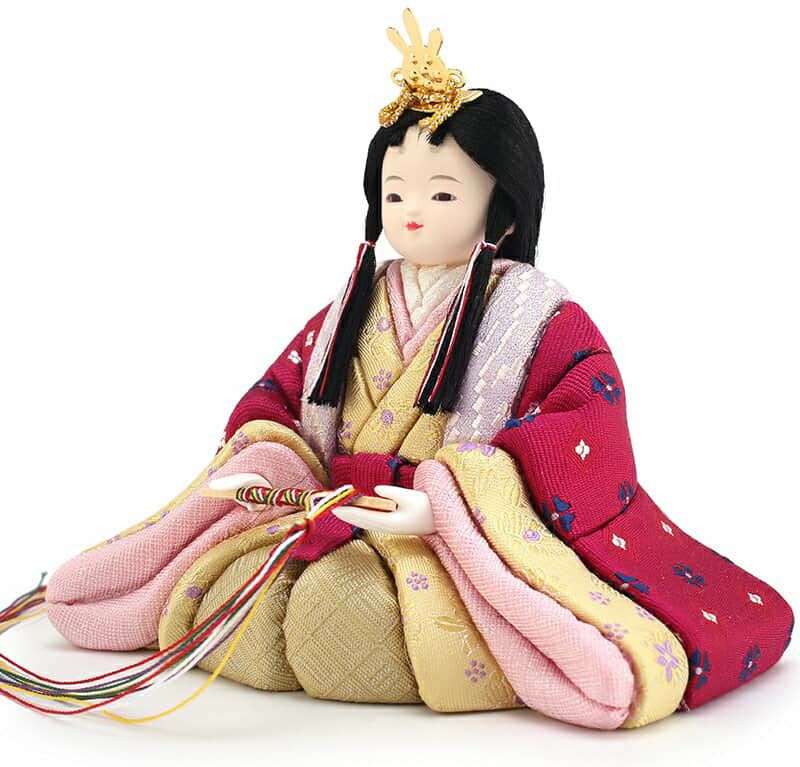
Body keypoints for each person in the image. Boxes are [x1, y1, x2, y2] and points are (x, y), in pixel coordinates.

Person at [44, 9, 792, 729]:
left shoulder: (540, 319)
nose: (411, 210)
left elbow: (583, 430)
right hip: (332, 513)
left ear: (503, 211)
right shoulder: (355, 303)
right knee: (242, 596)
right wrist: (270, 465)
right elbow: (277, 394)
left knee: (348, 619)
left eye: (441, 193)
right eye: (395, 191)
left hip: (447, 542)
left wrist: (447, 505)